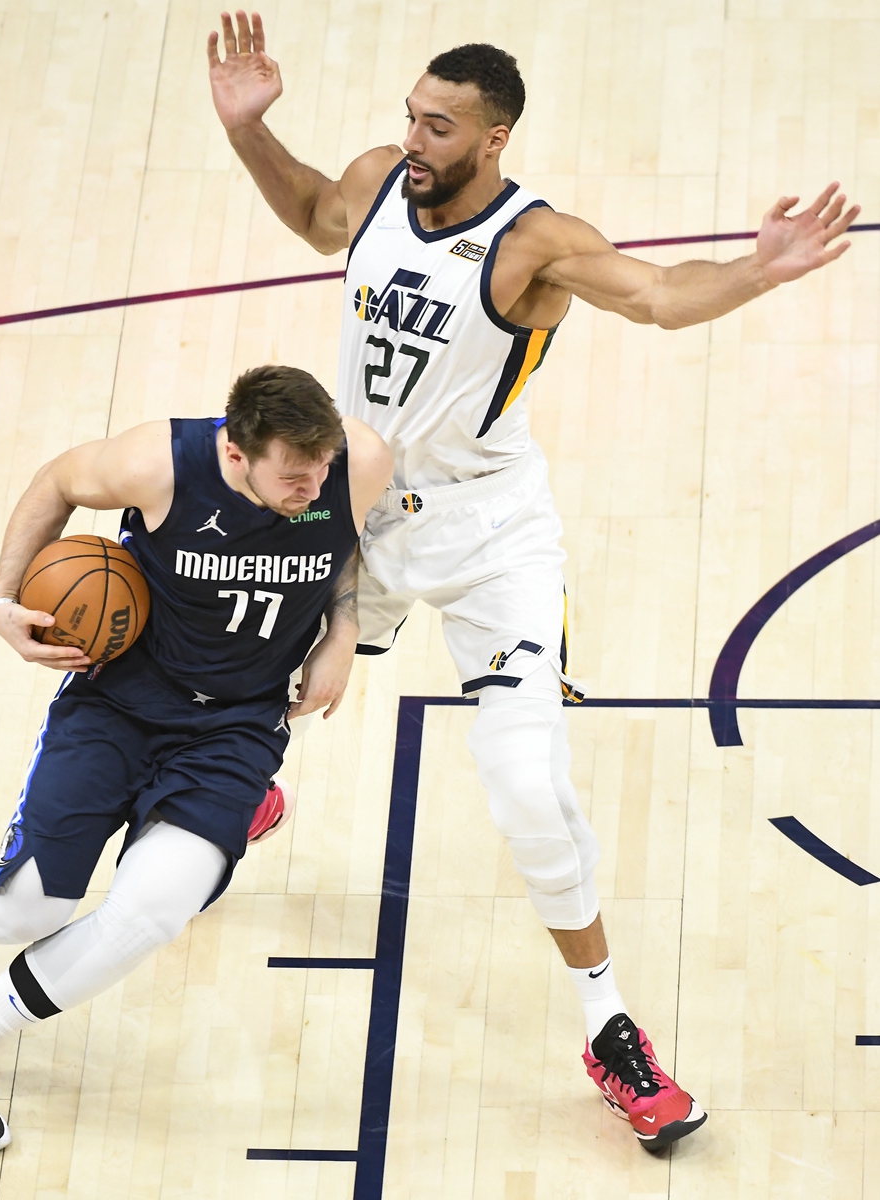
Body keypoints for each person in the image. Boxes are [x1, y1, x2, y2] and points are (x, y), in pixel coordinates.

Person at [208, 13, 860, 1150]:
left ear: (495, 136)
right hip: (355, 502)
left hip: (491, 534)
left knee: (528, 793)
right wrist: (249, 131)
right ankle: (249, 787)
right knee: (244, 685)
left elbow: (657, 296)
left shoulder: (536, 243)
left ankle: (612, 1032)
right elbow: (316, 213)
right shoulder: (375, 180)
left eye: (440, 124)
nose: (413, 136)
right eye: (411, 113)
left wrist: (760, 268)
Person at [0, 364, 394, 1157]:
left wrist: (341, 631)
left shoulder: (355, 462)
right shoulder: (158, 465)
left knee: (150, 913)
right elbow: (55, 480)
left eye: (322, 467)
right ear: (235, 453)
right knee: (22, 912)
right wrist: (0, 600)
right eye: (294, 476)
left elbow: (347, 545)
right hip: (117, 708)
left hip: (235, 729)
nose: (315, 484)